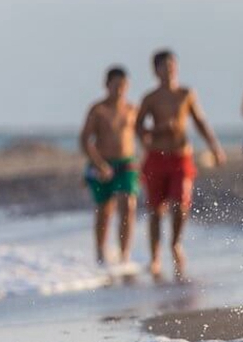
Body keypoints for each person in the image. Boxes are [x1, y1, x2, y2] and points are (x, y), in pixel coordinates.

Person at [136, 50, 226, 282]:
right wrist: (155, 132)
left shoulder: (186, 94)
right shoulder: (150, 98)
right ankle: (155, 256)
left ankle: (175, 243)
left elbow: (200, 121)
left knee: (181, 204)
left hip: (181, 156)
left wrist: (215, 146)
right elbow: (137, 128)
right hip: (156, 156)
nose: (169, 69)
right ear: (155, 70)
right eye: (164, 66)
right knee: (155, 210)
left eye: (172, 65)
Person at [79, 66, 139, 269]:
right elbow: (85, 140)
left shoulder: (132, 109)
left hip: (127, 164)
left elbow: (142, 135)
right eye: (116, 85)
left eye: (123, 85)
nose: (120, 90)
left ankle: (124, 254)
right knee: (104, 210)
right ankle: (100, 252)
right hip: (102, 164)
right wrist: (99, 164)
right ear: (107, 85)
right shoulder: (98, 110)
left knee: (128, 205)